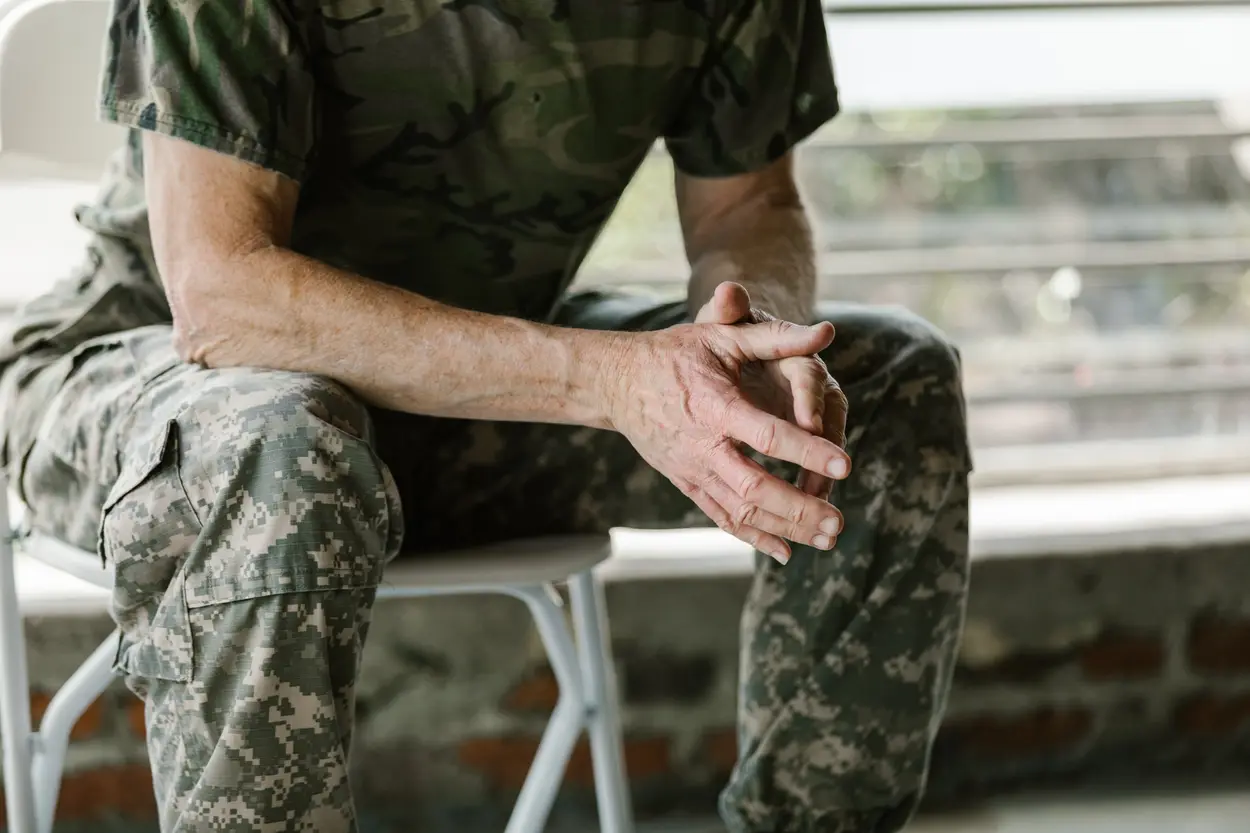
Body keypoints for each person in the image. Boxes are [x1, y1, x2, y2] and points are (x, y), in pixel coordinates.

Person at [0, 0, 972, 830]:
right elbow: (224, 296)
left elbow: (746, 203)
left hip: (478, 385)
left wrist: (747, 330)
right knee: (277, 436)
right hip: (159, 370)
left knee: (889, 380)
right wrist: (614, 383)